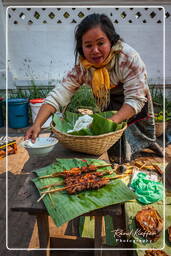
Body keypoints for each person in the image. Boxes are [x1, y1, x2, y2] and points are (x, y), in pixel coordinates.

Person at [25, 13, 163, 163]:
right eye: (88, 45)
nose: (95, 51)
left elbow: (136, 99)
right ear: (81, 47)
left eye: (100, 43)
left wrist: (111, 121)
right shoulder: (83, 67)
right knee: (114, 140)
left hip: (133, 98)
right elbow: (59, 95)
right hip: (107, 101)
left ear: (111, 41)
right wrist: (37, 124)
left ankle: (148, 144)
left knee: (139, 129)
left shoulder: (128, 58)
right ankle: (121, 158)